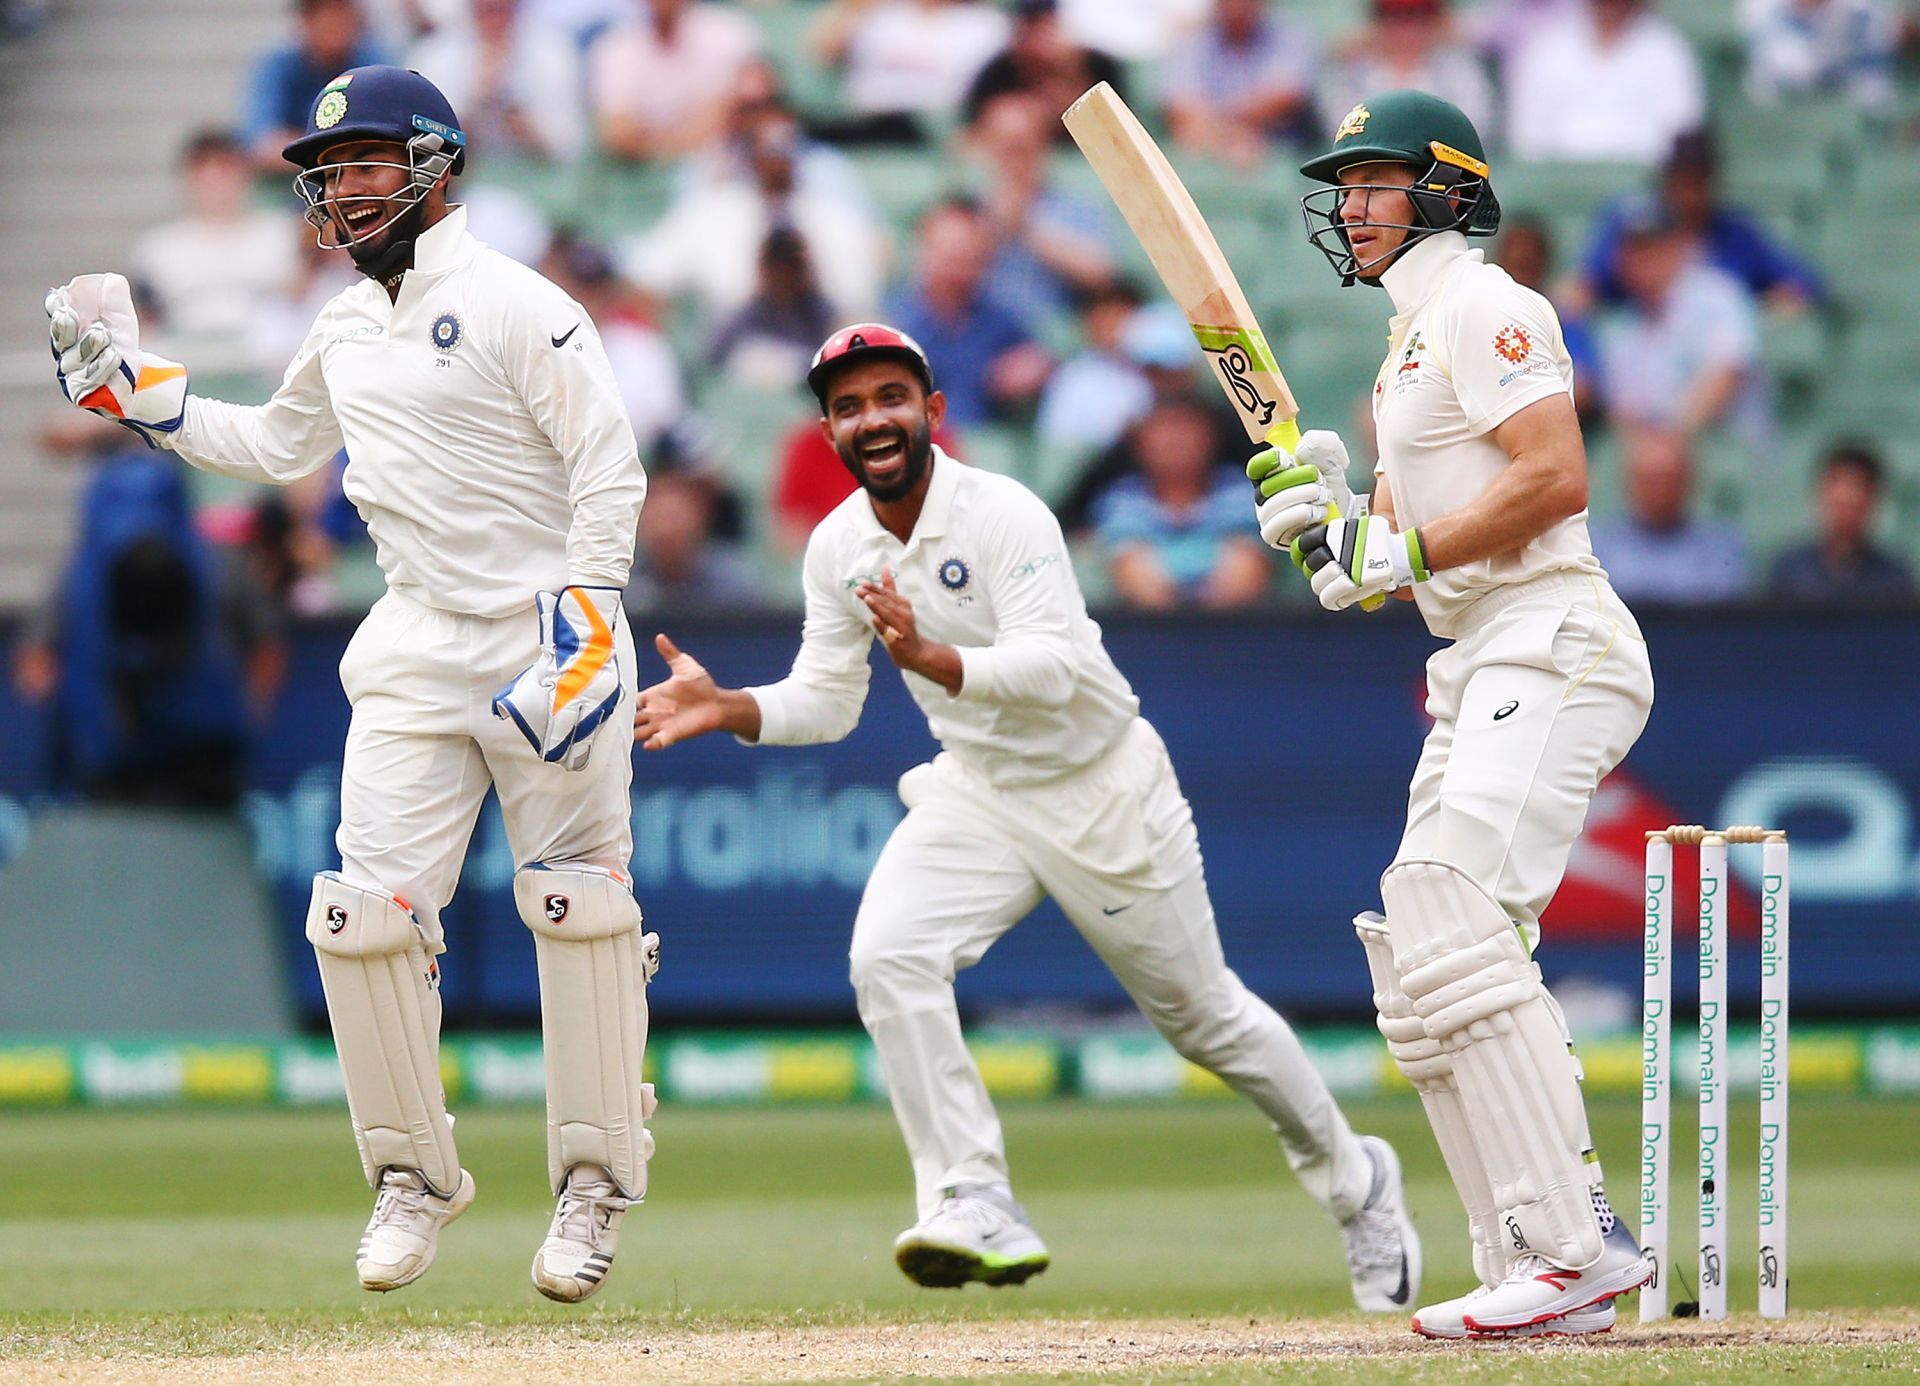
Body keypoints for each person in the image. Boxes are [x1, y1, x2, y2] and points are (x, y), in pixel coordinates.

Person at [633, 322, 1420, 1307]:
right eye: (847, 407)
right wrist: (730, 708)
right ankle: (972, 1195)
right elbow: (828, 701)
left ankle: (1359, 1183)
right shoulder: (837, 546)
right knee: (888, 956)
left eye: (888, 398)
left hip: (1103, 787)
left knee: (1205, 1021)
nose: (870, 419)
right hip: (979, 788)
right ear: (829, 433)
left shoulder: (1001, 512)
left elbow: (1052, 669)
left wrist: (935, 661)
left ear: (932, 412)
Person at [45, 66, 656, 1304]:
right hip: (416, 638)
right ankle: (412, 1179)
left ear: (436, 164)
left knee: (577, 909)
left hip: (549, 629)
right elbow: (273, 445)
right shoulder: (341, 324)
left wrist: (587, 625)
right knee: (361, 918)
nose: (342, 190)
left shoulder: (517, 305)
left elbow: (611, 470)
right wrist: (126, 386)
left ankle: (593, 1186)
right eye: (329, 174)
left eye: (367, 164)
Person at [1260, 90, 1656, 1337]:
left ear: (1443, 186)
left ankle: (1573, 1245)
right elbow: (1399, 566)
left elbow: (1553, 478)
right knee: (1417, 969)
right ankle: (1524, 1263)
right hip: (1476, 652)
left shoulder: (1490, 305)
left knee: (1452, 904)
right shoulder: (1406, 351)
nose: (1352, 206)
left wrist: (1400, 545)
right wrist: (1336, 529)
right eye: (1344, 186)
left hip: (1555, 632)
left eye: (1374, 181)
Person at [1573, 133, 1824, 316]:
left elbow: (1801, 282)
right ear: (1666, 182)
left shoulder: (1736, 234)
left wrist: (1770, 303)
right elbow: (1585, 285)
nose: (1689, 196)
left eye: (1698, 183)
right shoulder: (1638, 228)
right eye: (1682, 183)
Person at [1593, 205, 1769, 444]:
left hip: (1730, 455)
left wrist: (1670, 442)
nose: (1645, 258)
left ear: (1677, 249)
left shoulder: (1718, 295)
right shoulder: (1618, 326)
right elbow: (1622, 413)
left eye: (1655, 246)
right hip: (1659, 464)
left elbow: (1728, 375)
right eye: (1634, 249)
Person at [1093, 396, 1272, 609]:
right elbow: (1134, 579)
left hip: (1236, 629)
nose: (1175, 440)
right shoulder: (1121, 500)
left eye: (1186, 427)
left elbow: (1246, 576)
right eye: (1163, 429)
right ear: (1138, 444)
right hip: (1152, 630)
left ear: (1211, 438)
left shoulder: (1242, 492)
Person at [885, 199, 1051, 428]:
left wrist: (1034, 368)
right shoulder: (893, 319)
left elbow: (1038, 360)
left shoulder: (1001, 319)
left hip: (986, 442)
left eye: (969, 260)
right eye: (950, 258)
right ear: (924, 251)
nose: (957, 272)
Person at [129, 131, 301, 350]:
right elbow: (147, 321)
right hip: (185, 358)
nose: (216, 183)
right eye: (204, 173)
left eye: (226, 170)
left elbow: (301, 300)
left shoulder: (282, 233)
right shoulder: (158, 248)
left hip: (270, 357)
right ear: (188, 179)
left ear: (245, 175)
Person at [1504, 0, 1705, 164]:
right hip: (1559, 183)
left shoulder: (1668, 50)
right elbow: (1527, 137)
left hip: (1640, 184)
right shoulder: (1547, 47)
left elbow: (1681, 130)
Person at [587, 0, 760, 161]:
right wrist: (685, 138)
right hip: (648, 172)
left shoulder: (729, 33)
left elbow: (745, 107)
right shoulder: (615, 48)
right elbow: (618, 133)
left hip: (727, 168)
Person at [1588, 430, 1748, 603]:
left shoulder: (1720, 548)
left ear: (1689, 482)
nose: (1660, 491)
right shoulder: (1597, 548)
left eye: (1668, 479)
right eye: (1649, 480)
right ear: (1628, 483)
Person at [1317, 0, 1496, 149]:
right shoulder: (1353, 71)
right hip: (1370, 167)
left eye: (1417, 18)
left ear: (1434, 22)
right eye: (1395, 18)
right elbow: (1341, 131)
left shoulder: (1458, 68)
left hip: (1442, 168)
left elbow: (1475, 127)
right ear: (1378, 22)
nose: (1406, 29)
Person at [1162, 0, 1320, 166]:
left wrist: (1228, 127)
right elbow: (1181, 103)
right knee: (1190, 150)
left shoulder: (1289, 35)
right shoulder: (1195, 39)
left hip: (1280, 143)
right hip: (1212, 140)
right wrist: (1229, 134)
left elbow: (1285, 97)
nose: (1235, 5)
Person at [240, 0, 389, 173]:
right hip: (290, 179)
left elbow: (386, 138)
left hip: (359, 172)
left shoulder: (374, 62)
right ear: (305, 21)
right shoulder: (277, 65)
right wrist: (334, 151)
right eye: (324, 16)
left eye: (341, 14)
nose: (334, 25)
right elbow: (261, 144)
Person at [1767, 442, 1915, 601]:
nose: (1845, 504)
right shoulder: (1790, 571)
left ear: (1874, 501)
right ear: (1819, 495)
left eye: (1855, 494)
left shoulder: (1894, 578)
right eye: (1838, 502)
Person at [1742, 0, 1899, 109]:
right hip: (1780, 112)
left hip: (1850, 105)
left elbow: (1875, 86)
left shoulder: (1863, 13)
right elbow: (1799, 69)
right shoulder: (1762, 10)